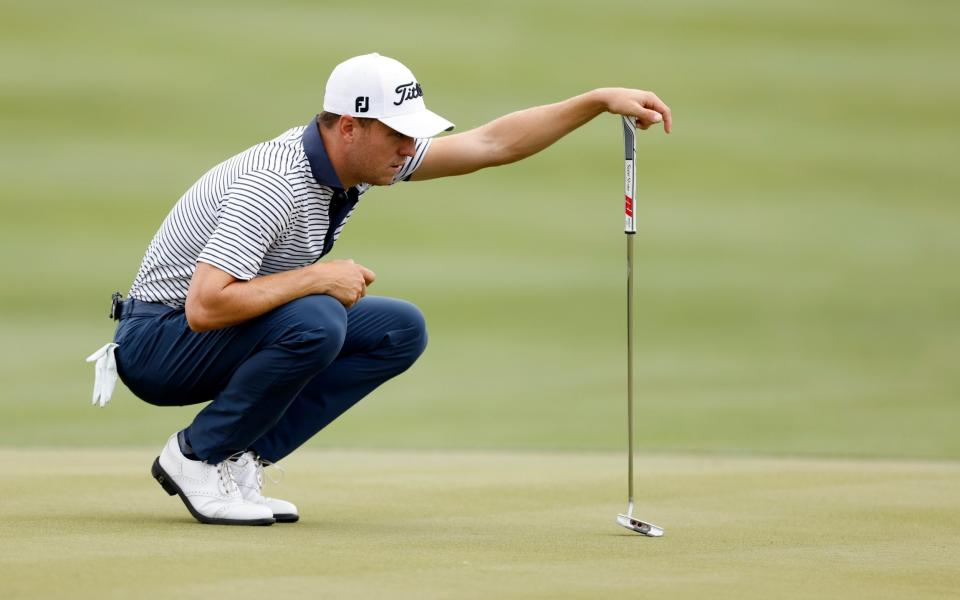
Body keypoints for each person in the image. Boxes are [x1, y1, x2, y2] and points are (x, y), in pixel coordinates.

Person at [85, 52, 672, 526]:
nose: (407, 149)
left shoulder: (357, 162)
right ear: (349, 127)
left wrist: (595, 102)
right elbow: (206, 304)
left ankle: (241, 453)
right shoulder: (275, 183)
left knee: (397, 329)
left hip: (206, 332)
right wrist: (318, 276)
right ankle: (195, 456)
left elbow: (491, 145)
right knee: (317, 317)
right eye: (397, 135)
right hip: (159, 345)